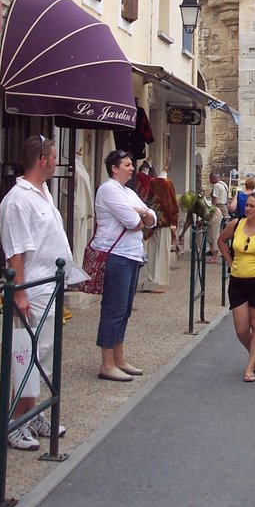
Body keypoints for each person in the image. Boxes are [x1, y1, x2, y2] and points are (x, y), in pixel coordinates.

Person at [0, 135, 73, 449]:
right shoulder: (18, 199)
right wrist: (18, 293)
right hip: (35, 289)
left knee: (44, 354)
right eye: (54, 156)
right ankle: (14, 421)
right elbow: (17, 250)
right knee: (29, 355)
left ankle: (32, 414)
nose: (56, 162)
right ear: (42, 160)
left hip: (49, 287)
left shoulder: (43, 193)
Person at [91, 149, 157, 382]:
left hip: (131, 255)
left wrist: (143, 214)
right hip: (116, 255)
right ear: (114, 168)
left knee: (124, 309)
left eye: (131, 164)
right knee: (113, 309)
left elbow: (152, 218)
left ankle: (119, 358)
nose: (131, 168)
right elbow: (134, 222)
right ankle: (107, 363)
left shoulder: (128, 192)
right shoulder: (108, 189)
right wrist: (141, 215)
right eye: (127, 164)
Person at [217, 190, 255, 382]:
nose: (248, 208)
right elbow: (221, 241)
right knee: (242, 329)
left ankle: (251, 366)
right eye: (247, 205)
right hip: (237, 281)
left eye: (252, 206)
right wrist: (229, 262)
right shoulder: (236, 224)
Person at [141, 173, 179, 292]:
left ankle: (152, 279)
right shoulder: (168, 183)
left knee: (152, 251)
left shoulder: (152, 182)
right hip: (166, 221)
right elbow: (172, 203)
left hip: (154, 220)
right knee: (163, 252)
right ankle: (160, 281)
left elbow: (148, 199)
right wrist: (174, 221)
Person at [208, 173, 228, 262]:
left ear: (213, 178)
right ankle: (224, 251)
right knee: (223, 229)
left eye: (210, 179)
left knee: (215, 231)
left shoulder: (216, 185)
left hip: (219, 207)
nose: (210, 181)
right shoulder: (224, 184)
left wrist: (212, 210)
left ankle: (214, 254)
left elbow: (215, 199)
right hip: (224, 207)